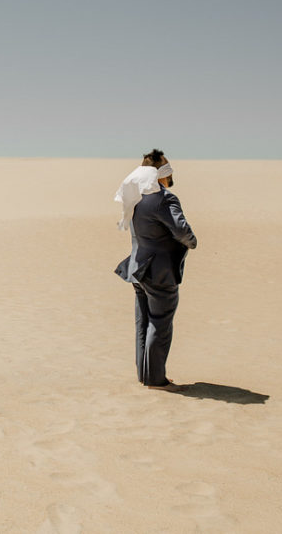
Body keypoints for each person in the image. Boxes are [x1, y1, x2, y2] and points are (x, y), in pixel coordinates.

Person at [114, 149, 197, 392]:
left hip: (137, 269)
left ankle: (145, 374)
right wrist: (192, 242)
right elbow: (181, 230)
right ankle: (156, 379)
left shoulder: (134, 198)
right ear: (159, 173)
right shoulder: (163, 199)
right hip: (159, 271)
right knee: (160, 323)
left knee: (144, 322)